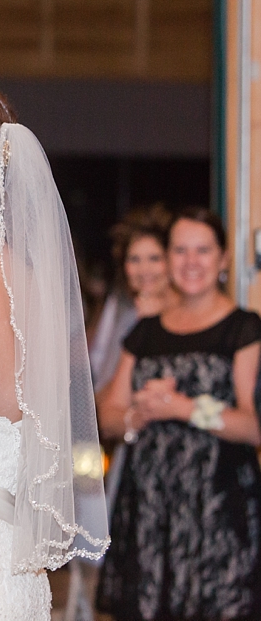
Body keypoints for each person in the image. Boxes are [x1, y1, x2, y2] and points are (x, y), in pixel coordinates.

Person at [96, 207, 261, 620]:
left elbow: (253, 426)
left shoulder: (243, 328)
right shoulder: (146, 332)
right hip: (152, 511)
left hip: (219, 509)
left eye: (202, 250)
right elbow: (109, 417)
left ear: (222, 259)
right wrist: (139, 412)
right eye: (180, 250)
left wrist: (186, 408)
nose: (191, 262)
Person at [89, 204, 175, 392]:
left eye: (154, 258)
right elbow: (102, 380)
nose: (144, 270)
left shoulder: (182, 313)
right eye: (134, 259)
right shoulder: (124, 311)